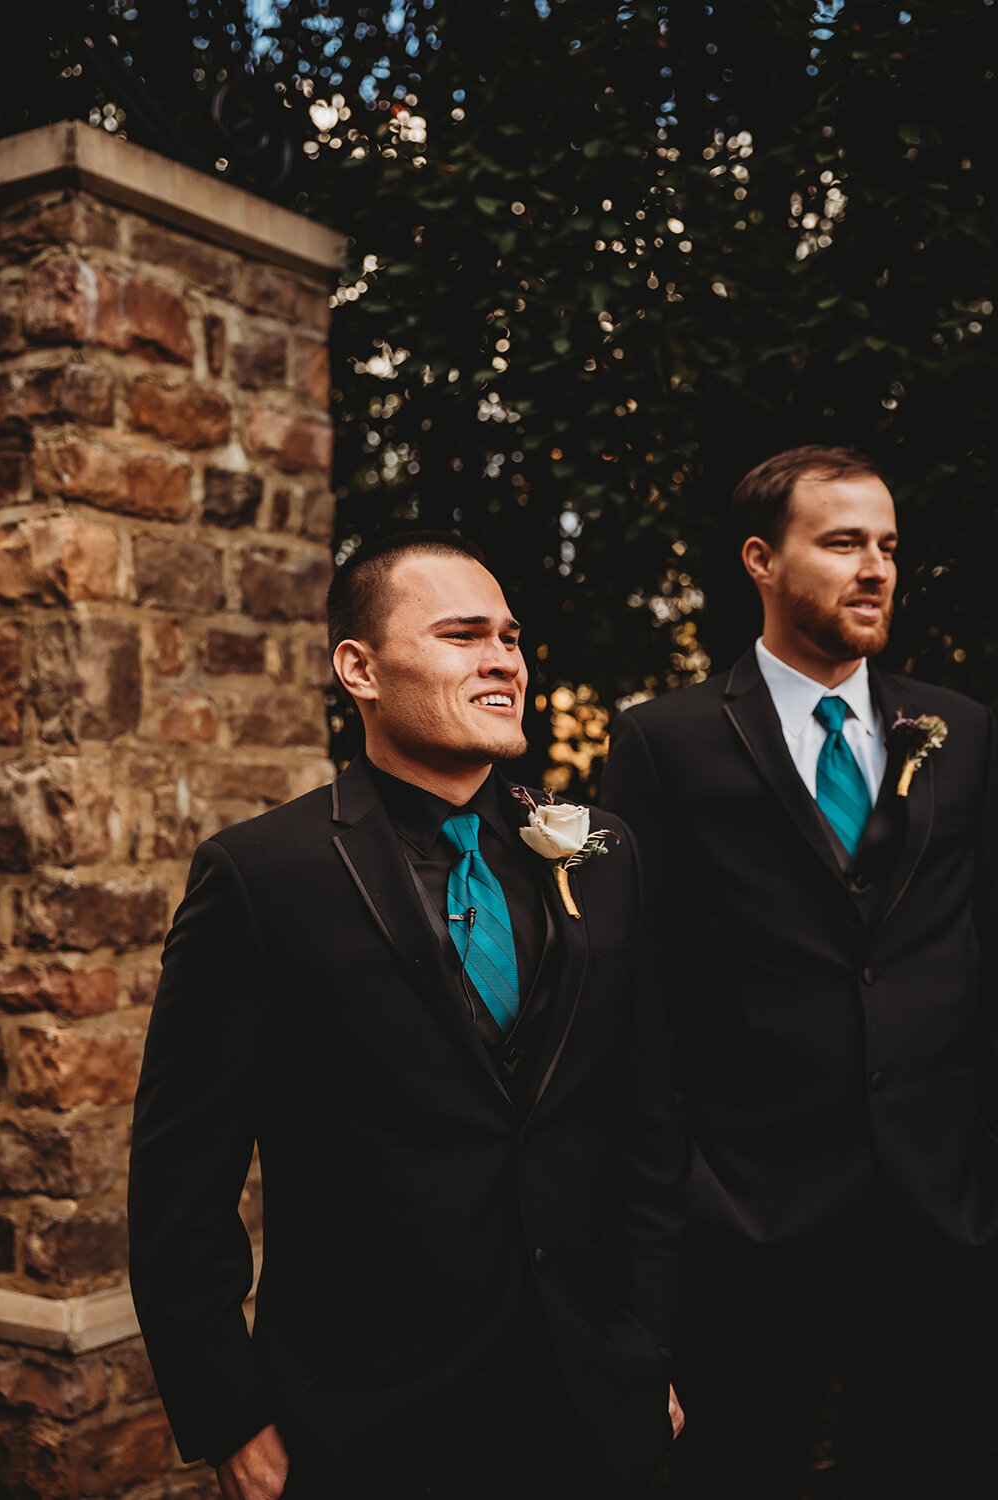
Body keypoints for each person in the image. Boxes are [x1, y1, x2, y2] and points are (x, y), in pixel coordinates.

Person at [128, 531, 683, 1500]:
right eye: (464, 635)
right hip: (365, 1423)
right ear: (360, 668)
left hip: (591, 1403)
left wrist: (649, 1344)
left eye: (509, 637)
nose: (503, 658)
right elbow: (180, 1183)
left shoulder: (604, 851)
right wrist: (232, 1415)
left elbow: (646, 1129)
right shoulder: (261, 877)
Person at [600, 447, 998, 1500]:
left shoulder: (961, 736)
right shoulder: (663, 744)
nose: (874, 568)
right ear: (759, 562)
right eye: (840, 543)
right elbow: (633, 999)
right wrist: (681, 1202)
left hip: (942, 1230)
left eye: (888, 547)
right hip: (746, 1237)